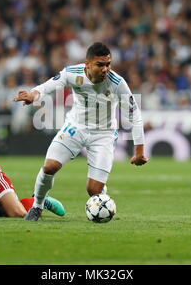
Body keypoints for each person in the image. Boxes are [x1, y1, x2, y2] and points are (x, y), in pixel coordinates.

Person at [13, 42, 148, 221]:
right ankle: (37, 205)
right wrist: (33, 94)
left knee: (93, 190)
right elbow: (49, 86)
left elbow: (134, 114)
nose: (105, 69)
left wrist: (139, 151)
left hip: (104, 134)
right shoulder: (71, 73)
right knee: (49, 167)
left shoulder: (117, 83)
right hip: (75, 127)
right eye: (100, 65)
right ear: (88, 64)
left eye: (108, 64)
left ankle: (101, 198)